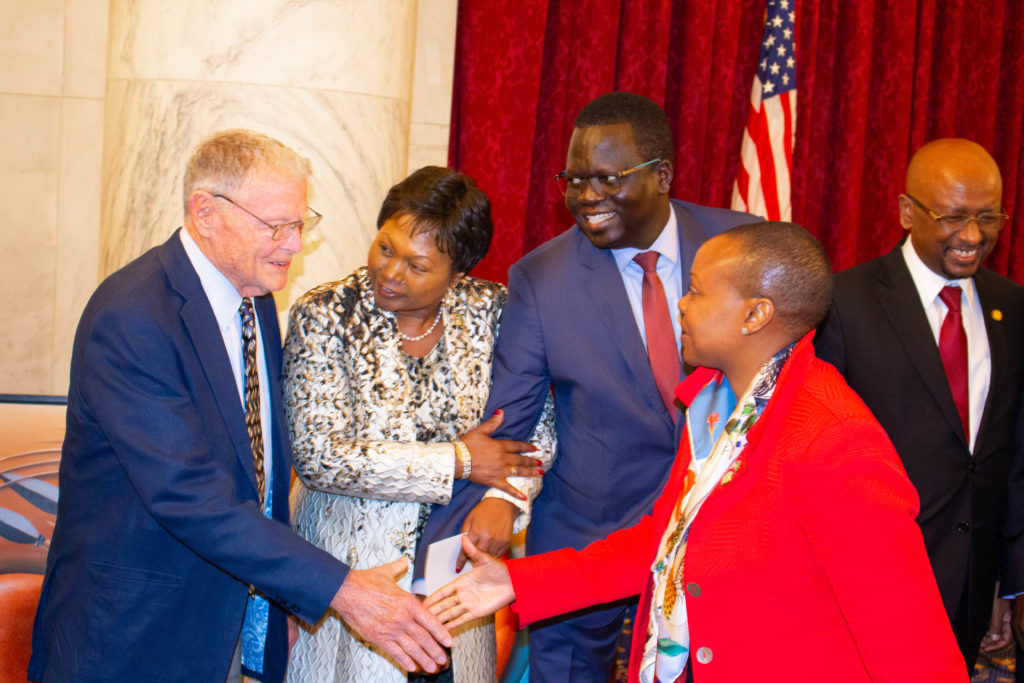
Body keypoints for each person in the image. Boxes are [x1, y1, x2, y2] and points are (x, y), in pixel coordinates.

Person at [426, 222, 967, 682]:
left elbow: (910, 642)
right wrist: (516, 581)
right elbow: (663, 542)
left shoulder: (834, 439)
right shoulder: (714, 402)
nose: (680, 305)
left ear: (755, 315)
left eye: (697, 291)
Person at [28, 130, 452, 683]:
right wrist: (341, 589)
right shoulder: (133, 315)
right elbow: (187, 495)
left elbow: (261, 471)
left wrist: (278, 599)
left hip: (224, 620)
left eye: (300, 223)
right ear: (205, 212)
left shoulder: (254, 297)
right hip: (133, 633)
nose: (294, 244)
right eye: (275, 226)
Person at [417, 91, 757, 681]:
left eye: (607, 178)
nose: (587, 196)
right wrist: (499, 501)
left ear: (662, 176)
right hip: (585, 532)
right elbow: (512, 420)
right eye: (574, 180)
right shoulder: (540, 279)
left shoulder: (745, 245)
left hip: (722, 524)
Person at [281, 166, 555, 683]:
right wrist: (459, 461)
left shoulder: (494, 311)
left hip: (455, 582)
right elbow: (320, 455)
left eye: (417, 265)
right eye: (386, 248)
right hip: (355, 573)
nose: (391, 273)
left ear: (458, 274)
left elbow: (535, 429)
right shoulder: (325, 315)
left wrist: (506, 500)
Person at [814, 138, 1024, 672]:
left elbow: (1013, 457)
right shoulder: (844, 305)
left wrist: (1008, 581)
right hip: (869, 583)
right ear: (907, 212)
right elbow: (815, 457)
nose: (972, 236)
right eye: (953, 217)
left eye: (988, 217)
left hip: (972, 586)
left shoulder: (1013, 307)